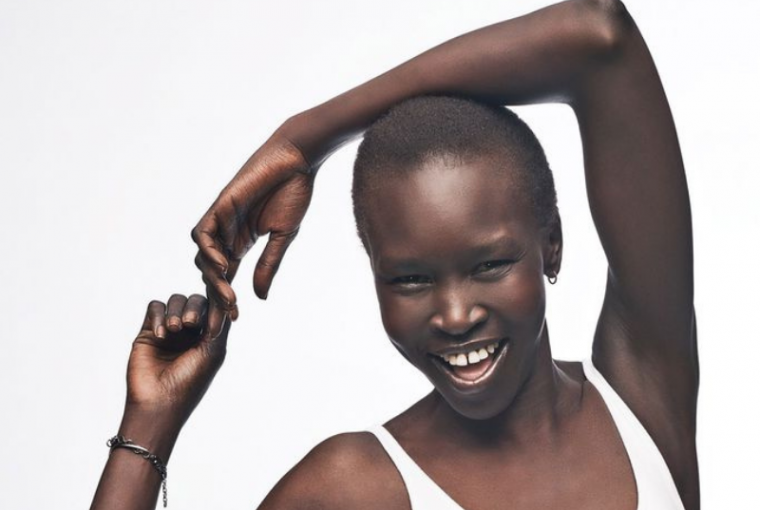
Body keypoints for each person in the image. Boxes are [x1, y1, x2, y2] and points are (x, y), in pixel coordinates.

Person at [91, 0, 699, 508]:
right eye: (410, 279)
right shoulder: (355, 488)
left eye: (489, 265)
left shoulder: (642, 397)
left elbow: (601, 37)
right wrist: (150, 426)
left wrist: (308, 138)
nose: (455, 315)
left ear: (552, 246)